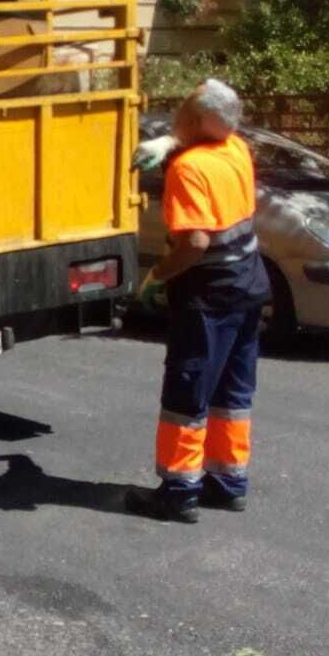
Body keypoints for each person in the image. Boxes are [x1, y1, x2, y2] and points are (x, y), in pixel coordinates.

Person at [126, 79, 271, 524]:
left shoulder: (188, 168)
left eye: (182, 112)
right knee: (232, 391)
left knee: (188, 391)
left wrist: (156, 275)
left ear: (192, 121)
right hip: (248, 284)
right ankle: (228, 484)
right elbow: (210, 128)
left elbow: (194, 242)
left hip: (209, 292)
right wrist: (171, 139)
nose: (176, 118)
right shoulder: (236, 149)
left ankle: (179, 491)